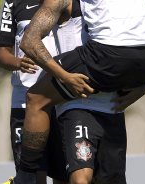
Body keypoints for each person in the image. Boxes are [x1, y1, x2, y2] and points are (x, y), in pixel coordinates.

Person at [13, 0, 145, 184]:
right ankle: (26, 177)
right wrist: (143, 79)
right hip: (81, 103)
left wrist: (65, 76)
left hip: (108, 98)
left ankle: (25, 177)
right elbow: (141, 44)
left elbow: (29, 41)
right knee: (80, 179)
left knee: (35, 98)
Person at [46, 1, 129, 183]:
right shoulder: (66, 3)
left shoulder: (117, 6)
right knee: (80, 179)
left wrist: (143, 85)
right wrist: (64, 76)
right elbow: (30, 40)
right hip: (77, 103)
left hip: (111, 106)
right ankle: (25, 174)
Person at [0, 0, 57, 183]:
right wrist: (18, 63)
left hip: (63, 100)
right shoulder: (11, 3)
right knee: (32, 178)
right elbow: (0, 54)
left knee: (65, 175)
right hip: (24, 103)